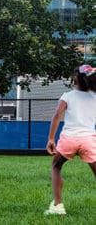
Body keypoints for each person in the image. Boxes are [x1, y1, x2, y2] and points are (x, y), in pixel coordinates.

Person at [44, 64, 96, 215]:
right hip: (89, 140)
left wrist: (51, 139)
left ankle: (58, 206)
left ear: (75, 81)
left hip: (69, 139)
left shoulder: (67, 96)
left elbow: (56, 116)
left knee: (56, 167)